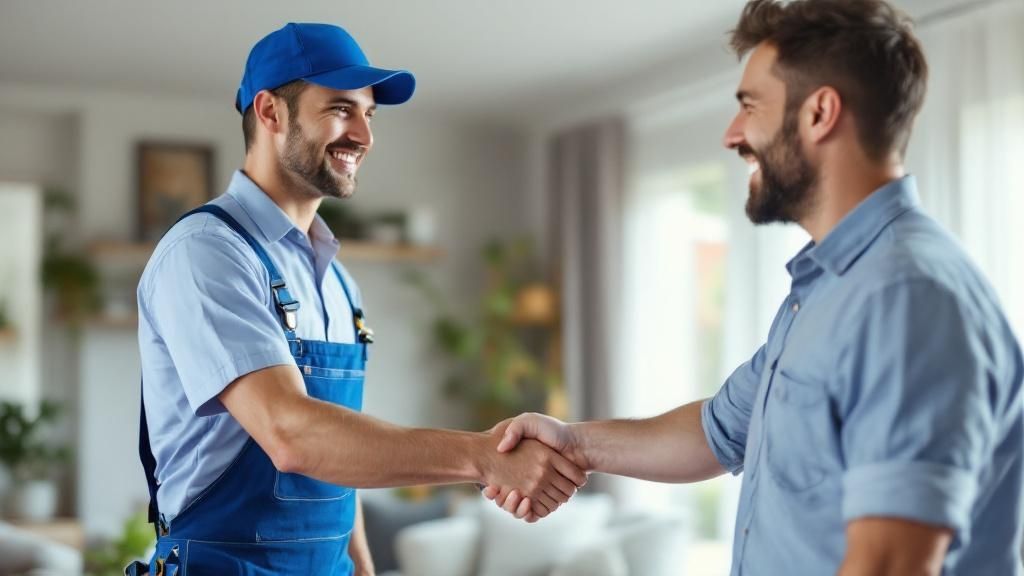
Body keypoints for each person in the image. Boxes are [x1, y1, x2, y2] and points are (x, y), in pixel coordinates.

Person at [486, 1, 1024, 574]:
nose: (732, 134)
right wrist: (573, 442)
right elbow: (715, 431)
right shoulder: (826, 290)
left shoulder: (905, 297)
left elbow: (890, 564)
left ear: (819, 113)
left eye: (749, 106)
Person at [131, 22, 584, 576]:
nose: (364, 137)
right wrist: (485, 457)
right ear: (271, 112)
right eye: (341, 109)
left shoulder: (340, 283)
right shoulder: (207, 252)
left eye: (369, 115)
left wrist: (361, 565)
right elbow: (292, 432)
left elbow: (339, 450)